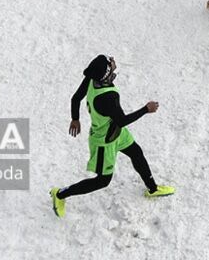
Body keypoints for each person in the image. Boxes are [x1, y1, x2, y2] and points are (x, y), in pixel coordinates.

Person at [50, 55, 175, 218]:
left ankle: (153, 188)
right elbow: (122, 120)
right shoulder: (108, 97)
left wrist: (75, 118)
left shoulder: (91, 78)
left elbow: (76, 98)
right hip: (104, 141)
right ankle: (59, 194)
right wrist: (146, 109)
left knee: (136, 152)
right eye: (110, 63)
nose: (112, 60)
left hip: (116, 132)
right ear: (107, 73)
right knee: (103, 181)